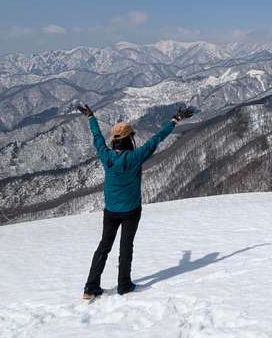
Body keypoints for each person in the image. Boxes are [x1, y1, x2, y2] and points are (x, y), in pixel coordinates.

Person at [76, 103, 194, 299]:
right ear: (130, 139)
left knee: (104, 246)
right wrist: (175, 120)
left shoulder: (107, 157)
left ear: (114, 141)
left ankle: (90, 287)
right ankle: (124, 285)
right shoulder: (136, 156)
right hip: (131, 210)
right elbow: (157, 138)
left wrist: (91, 117)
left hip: (111, 210)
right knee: (126, 246)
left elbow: (97, 138)